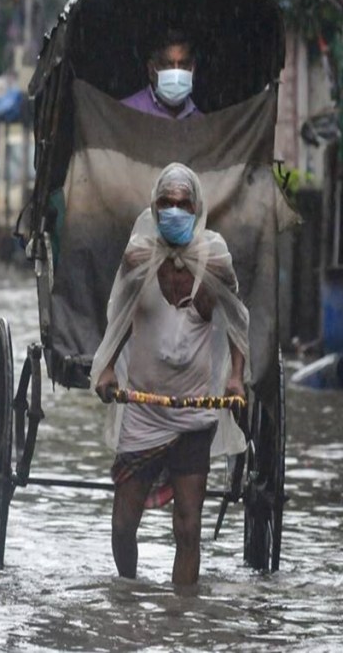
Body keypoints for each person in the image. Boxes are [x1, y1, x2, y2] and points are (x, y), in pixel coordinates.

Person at [91, 163, 249, 587]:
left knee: (188, 529)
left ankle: (180, 615)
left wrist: (236, 376)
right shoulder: (138, 258)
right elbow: (120, 319)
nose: (175, 211)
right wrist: (106, 368)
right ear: (154, 208)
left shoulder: (214, 260)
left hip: (194, 413)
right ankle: (127, 595)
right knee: (123, 525)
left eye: (183, 204)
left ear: (196, 209)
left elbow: (237, 321)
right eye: (167, 203)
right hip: (142, 410)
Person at [122, 29, 201, 120]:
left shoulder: (201, 123)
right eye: (168, 65)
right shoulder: (126, 112)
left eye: (183, 65)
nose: (176, 73)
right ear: (151, 70)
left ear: (193, 69)